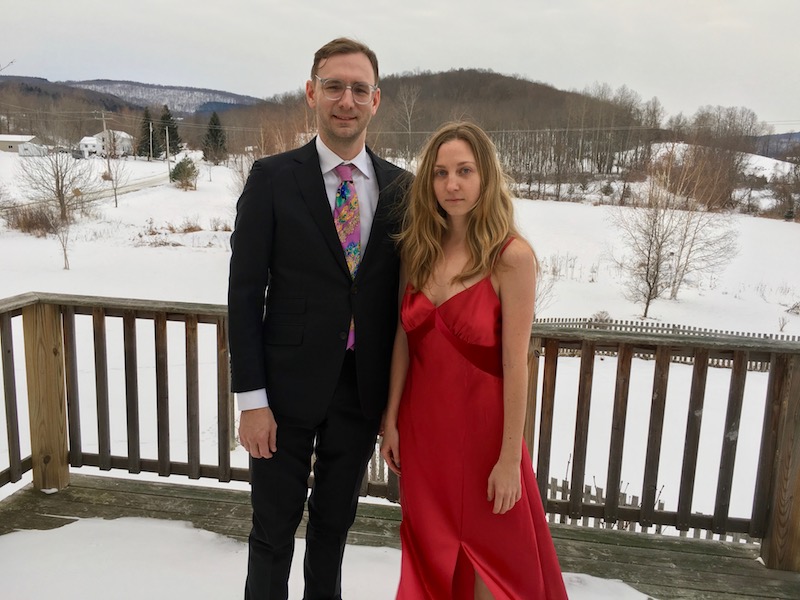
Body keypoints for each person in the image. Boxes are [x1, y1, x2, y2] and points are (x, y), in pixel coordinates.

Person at [228, 38, 409, 600]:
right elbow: (243, 295)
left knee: (333, 531)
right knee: (273, 533)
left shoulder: (402, 189)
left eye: (359, 89)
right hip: (282, 397)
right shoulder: (273, 179)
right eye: (334, 86)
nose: (346, 100)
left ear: (376, 100)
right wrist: (252, 402)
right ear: (312, 93)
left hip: (359, 396)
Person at [380, 121, 568, 599]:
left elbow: (517, 365)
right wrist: (392, 421)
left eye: (464, 170)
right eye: (441, 173)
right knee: (430, 552)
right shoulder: (417, 249)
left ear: (486, 176)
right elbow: (404, 341)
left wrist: (510, 458)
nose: (452, 184)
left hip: (486, 438)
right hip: (424, 434)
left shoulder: (512, 258)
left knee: (494, 563)